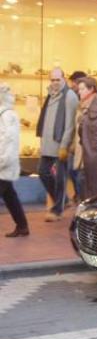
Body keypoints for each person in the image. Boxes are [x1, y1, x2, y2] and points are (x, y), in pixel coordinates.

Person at [36, 67, 79, 222]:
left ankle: (57, 210)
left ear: (64, 78)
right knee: (42, 171)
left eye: (57, 79)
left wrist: (64, 145)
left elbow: (70, 124)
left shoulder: (69, 96)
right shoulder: (50, 95)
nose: (55, 82)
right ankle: (64, 200)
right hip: (48, 144)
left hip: (61, 144)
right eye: (52, 80)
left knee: (61, 178)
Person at [0, 83, 29, 237]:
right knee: (9, 195)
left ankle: (23, 226)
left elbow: (8, 141)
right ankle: (23, 226)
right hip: (4, 163)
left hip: (4, 163)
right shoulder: (5, 114)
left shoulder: (7, 115)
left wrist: (2, 161)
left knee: (9, 194)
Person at [69, 77, 97, 202]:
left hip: (89, 154)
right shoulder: (82, 105)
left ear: (91, 89)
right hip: (82, 151)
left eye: (82, 89)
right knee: (81, 181)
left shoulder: (95, 106)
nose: (79, 92)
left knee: (84, 183)